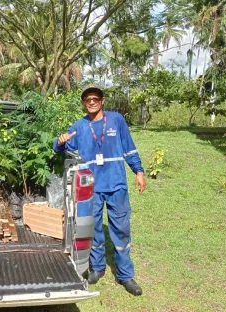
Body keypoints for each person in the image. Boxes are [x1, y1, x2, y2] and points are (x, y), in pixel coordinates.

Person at [53, 84, 146, 296]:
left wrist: (138, 171)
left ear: (102, 100)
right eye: (87, 99)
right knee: (93, 228)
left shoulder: (116, 120)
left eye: (95, 98)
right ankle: (97, 268)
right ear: (84, 104)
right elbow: (60, 145)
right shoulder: (80, 125)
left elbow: (129, 147)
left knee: (121, 229)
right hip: (91, 187)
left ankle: (125, 275)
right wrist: (59, 142)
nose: (91, 102)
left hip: (116, 184)